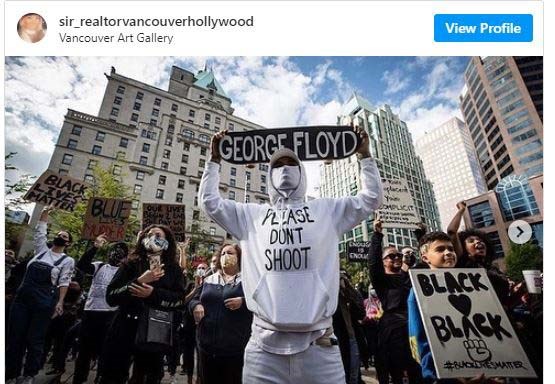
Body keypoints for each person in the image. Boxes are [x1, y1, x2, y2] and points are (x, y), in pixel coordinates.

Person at [199, 126, 383, 383]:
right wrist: (214, 161)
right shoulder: (251, 215)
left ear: (302, 172)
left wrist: (365, 156)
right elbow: (210, 203)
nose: (284, 169)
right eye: (278, 165)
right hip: (263, 350)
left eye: (291, 163)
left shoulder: (326, 210)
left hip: (320, 347)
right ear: (269, 174)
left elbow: (372, 199)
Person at [407, 232, 502, 384]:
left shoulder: (475, 285)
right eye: (440, 249)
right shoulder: (417, 291)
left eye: (451, 249)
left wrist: (500, 367)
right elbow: (418, 339)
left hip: (487, 371)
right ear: (425, 257)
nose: (448, 253)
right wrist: (438, 374)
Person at [98, 225, 186, 384]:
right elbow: (111, 296)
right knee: (113, 374)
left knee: (147, 377)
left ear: (167, 242)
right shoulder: (130, 264)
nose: (153, 238)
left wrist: (153, 294)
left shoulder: (174, 269)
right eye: (149, 234)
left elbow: (179, 300)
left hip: (155, 331)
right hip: (124, 327)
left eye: (158, 235)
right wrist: (139, 281)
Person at [6, 205, 75, 384]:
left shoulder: (67, 260)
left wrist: (59, 302)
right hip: (22, 300)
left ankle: (29, 374)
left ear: (68, 243)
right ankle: (10, 373)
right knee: (15, 336)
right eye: (59, 234)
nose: (60, 236)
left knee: (35, 339)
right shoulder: (41, 251)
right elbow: (40, 231)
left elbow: (64, 282)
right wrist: (45, 212)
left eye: (65, 236)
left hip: (44, 302)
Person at [368, 217, 422, 384]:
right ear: (384, 262)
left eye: (399, 255)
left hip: (414, 326)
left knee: (416, 370)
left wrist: (421, 235)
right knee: (396, 371)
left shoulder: (408, 277)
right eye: (391, 256)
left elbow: (426, 265)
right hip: (393, 330)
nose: (397, 258)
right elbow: (373, 264)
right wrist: (377, 235)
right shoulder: (382, 280)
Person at [189, 244, 253, 384]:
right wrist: (196, 305)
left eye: (230, 253)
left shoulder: (248, 281)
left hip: (234, 349)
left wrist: (243, 301)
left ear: (239, 258)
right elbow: (193, 299)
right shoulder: (209, 279)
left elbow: (259, 303)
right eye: (222, 253)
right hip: (206, 346)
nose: (225, 256)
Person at [72, 234, 129, 384]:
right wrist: (95, 247)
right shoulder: (99, 266)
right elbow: (82, 265)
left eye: (122, 251)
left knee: (106, 350)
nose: (117, 253)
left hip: (111, 315)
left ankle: (101, 377)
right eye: (115, 249)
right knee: (84, 350)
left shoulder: (124, 272)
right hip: (91, 312)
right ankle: (79, 379)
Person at [447, 202, 510, 304]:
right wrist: (461, 210)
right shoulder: (463, 264)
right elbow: (451, 231)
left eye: (480, 240)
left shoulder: (493, 269)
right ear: (463, 249)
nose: (478, 241)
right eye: (471, 241)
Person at [333, 270, 366, 384]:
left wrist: (347, 288)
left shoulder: (348, 293)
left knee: (353, 375)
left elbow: (361, 313)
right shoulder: (326, 292)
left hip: (349, 337)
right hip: (331, 340)